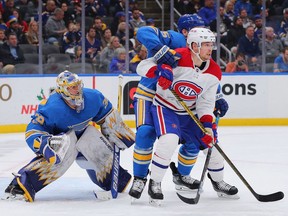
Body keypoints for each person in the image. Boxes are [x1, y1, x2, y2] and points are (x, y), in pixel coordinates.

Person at [128, 14, 237, 202]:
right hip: (152, 92)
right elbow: (143, 32)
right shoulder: (176, 40)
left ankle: (181, 176)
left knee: (196, 139)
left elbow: (202, 76)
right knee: (146, 133)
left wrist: (216, 96)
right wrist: (160, 50)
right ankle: (140, 179)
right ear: (186, 33)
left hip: (183, 99)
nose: (208, 43)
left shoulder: (203, 54)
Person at [4, 71, 135, 202]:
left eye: (77, 85)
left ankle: (114, 180)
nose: (77, 89)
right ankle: (19, 185)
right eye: (72, 87)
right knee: (65, 145)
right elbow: (32, 130)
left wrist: (117, 131)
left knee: (94, 138)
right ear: (63, 90)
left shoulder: (94, 97)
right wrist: (44, 144)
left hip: (84, 134)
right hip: (63, 141)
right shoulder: (52, 107)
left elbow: (106, 114)